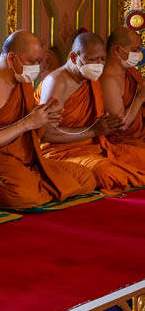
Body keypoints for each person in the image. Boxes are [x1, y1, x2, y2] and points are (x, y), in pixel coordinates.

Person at [0, 30, 97, 208]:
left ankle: (26, 185)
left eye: (39, 61)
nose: (37, 67)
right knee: (24, 193)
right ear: (11, 58)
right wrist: (27, 123)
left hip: (22, 160)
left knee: (84, 178)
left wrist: (45, 117)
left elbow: (32, 131)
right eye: (32, 61)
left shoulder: (23, 81)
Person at [37, 32, 145, 192]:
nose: (99, 65)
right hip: (59, 152)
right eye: (93, 60)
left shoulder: (90, 79)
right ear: (74, 57)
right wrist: (94, 130)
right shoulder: (57, 82)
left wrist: (97, 131)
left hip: (96, 146)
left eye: (102, 59)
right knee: (107, 173)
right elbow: (47, 134)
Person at [98, 26, 145, 146]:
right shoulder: (108, 80)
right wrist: (140, 97)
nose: (138, 55)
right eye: (134, 50)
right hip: (124, 142)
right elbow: (121, 125)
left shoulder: (131, 72)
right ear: (117, 50)